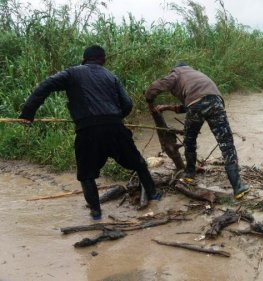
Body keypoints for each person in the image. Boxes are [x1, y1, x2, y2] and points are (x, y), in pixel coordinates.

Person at [19, 45, 161, 220]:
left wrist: (28, 114)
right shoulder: (111, 76)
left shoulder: (71, 73)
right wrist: (114, 118)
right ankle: (154, 196)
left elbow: (45, 86)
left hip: (88, 131)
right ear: (103, 60)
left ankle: (96, 214)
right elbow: (127, 104)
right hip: (116, 128)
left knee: (86, 174)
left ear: (84, 59)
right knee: (138, 163)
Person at [144, 63, 250, 200]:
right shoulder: (196, 75)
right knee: (227, 144)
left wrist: (149, 100)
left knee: (189, 140)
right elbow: (193, 102)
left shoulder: (176, 73)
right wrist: (168, 107)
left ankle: (189, 174)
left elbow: (156, 87)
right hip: (216, 102)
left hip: (196, 105)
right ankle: (238, 187)